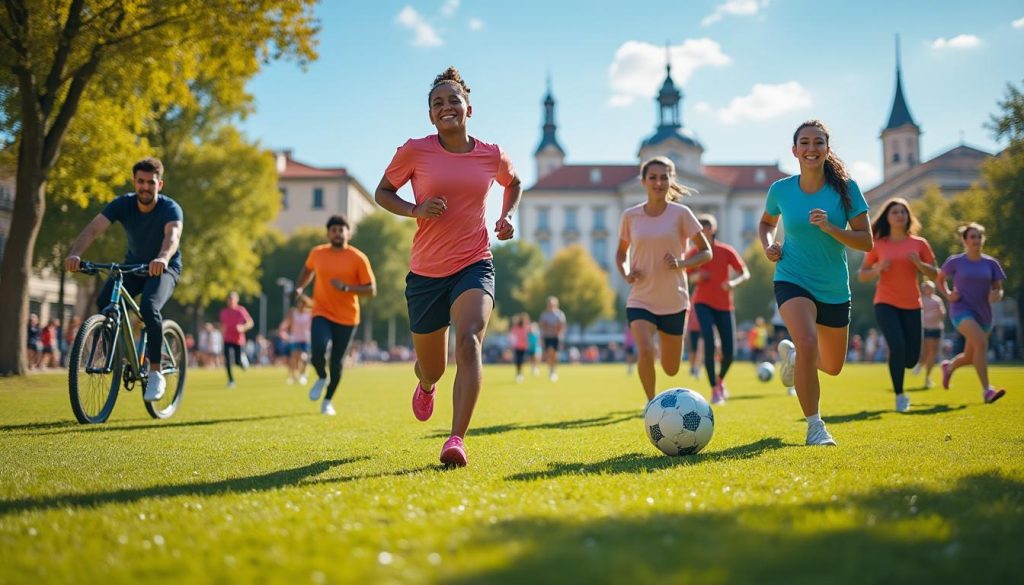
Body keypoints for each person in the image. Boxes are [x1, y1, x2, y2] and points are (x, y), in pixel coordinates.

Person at [374, 66, 521, 467]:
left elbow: (515, 182)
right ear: (430, 115)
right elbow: (383, 191)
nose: (446, 107)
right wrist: (415, 209)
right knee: (433, 366)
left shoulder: (490, 154)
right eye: (437, 103)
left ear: (468, 108)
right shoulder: (415, 151)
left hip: (474, 262)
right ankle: (425, 383)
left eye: (453, 100)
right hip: (425, 272)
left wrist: (507, 217)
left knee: (469, 340)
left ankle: (456, 438)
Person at [759, 120, 872, 446]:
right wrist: (769, 245)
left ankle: (795, 359)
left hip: (834, 286)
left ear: (827, 148)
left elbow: (867, 242)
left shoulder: (847, 189)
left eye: (818, 142)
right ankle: (815, 426)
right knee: (808, 342)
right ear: (795, 150)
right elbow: (767, 223)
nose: (811, 149)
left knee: (833, 366)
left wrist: (831, 229)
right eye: (805, 143)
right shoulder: (781, 189)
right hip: (791, 277)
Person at [65, 157, 183, 402]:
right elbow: (93, 229)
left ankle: (155, 372)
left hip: (165, 267)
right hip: (133, 266)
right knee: (104, 301)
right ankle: (117, 357)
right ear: (134, 182)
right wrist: (75, 253)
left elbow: (172, 238)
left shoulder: (170, 208)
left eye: (151, 183)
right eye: (141, 181)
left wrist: (161, 258)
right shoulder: (123, 204)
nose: (145, 187)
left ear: (159, 185)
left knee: (149, 308)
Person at [616, 155, 712, 403]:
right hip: (640, 297)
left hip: (674, 300)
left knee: (671, 368)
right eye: (653, 177)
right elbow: (620, 254)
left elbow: (705, 251)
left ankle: (660, 345)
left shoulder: (681, 213)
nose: (658, 182)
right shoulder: (631, 216)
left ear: (671, 180)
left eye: (663, 177)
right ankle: (651, 403)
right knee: (645, 351)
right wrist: (626, 272)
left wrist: (682, 263)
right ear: (643, 181)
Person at [857, 197, 937, 412]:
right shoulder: (878, 243)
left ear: (908, 216)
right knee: (897, 346)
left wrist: (919, 264)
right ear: (887, 217)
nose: (899, 215)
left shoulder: (919, 244)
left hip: (912, 303)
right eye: (895, 212)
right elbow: (862, 274)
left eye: (903, 212)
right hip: (885, 302)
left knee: (911, 359)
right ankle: (900, 395)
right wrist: (877, 269)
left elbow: (936, 273)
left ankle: (901, 372)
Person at [294, 214, 376, 415]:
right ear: (328, 234)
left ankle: (327, 401)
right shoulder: (317, 253)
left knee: (337, 362)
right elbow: (307, 271)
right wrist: (299, 288)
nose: (337, 233)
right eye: (333, 230)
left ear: (347, 233)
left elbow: (371, 289)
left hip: (347, 317)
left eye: (341, 230)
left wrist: (346, 288)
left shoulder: (358, 258)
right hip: (321, 311)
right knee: (318, 349)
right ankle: (321, 376)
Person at [937, 222, 1007, 404]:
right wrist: (948, 294)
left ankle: (949, 366)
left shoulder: (991, 263)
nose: (976, 240)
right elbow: (940, 279)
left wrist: (996, 295)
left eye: (979, 237)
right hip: (961, 310)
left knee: (971, 356)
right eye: (972, 237)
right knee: (981, 343)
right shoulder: (956, 261)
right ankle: (987, 391)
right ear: (965, 240)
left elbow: (998, 289)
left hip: (983, 313)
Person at [687, 213, 750, 404]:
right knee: (708, 342)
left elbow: (744, 272)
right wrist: (697, 277)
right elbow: (688, 276)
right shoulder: (693, 253)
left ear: (713, 230)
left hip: (724, 304)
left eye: (706, 227)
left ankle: (720, 380)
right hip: (702, 302)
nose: (702, 231)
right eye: (699, 228)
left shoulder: (725, 250)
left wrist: (733, 282)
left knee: (730, 352)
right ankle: (714, 389)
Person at [219, 292, 254, 388]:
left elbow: (250, 322)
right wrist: (222, 335)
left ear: (236, 300)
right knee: (228, 360)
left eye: (232, 299)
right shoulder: (224, 312)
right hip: (227, 339)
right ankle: (231, 380)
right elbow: (222, 326)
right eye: (229, 299)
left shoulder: (241, 311)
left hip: (238, 340)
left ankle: (243, 363)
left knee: (237, 361)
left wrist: (242, 328)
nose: (230, 301)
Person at [278, 294, 314, 386]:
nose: (300, 305)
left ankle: (303, 375)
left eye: (302, 303)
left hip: (306, 339)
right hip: (294, 338)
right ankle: (293, 376)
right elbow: (285, 324)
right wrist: (282, 333)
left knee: (304, 357)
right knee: (294, 358)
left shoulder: (309, 313)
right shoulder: (292, 312)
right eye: (299, 303)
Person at [918, 280, 946, 388]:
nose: (928, 290)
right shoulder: (921, 300)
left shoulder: (937, 300)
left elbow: (943, 314)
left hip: (937, 328)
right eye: (926, 288)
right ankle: (920, 366)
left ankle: (927, 377)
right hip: (926, 328)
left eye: (930, 287)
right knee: (928, 352)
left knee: (933, 353)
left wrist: (941, 313)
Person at [539, 296, 567, 381]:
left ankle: (554, 369)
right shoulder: (544, 314)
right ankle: (551, 369)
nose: (551, 305)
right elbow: (542, 326)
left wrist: (556, 329)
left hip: (556, 337)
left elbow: (562, 326)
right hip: (547, 336)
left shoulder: (559, 314)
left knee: (555, 354)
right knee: (548, 353)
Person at [509, 313, 530, 383]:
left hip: (523, 346)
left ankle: (519, 373)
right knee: (518, 360)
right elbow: (512, 337)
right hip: (517, 346)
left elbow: (527, 337)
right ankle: (518, 373)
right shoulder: (515, 328)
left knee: (521, 360)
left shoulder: (525, 327)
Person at [685, 306, 703, 379]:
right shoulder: (691, 306)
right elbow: (688, 320)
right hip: (693, 330)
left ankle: (697, 368)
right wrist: (687, 332)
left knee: (700, 350)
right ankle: (692, 368)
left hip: (701, 329)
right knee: (693, 351)